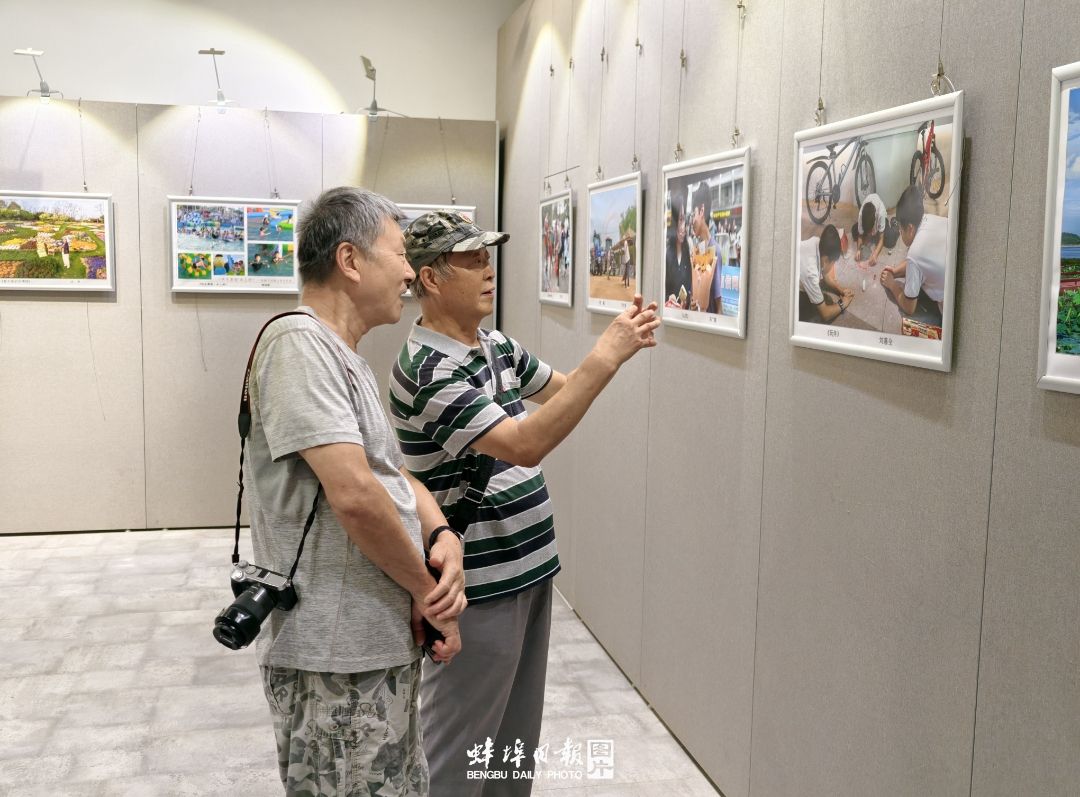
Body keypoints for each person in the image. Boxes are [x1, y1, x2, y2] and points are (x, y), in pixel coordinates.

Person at [388, 210, 659, 795]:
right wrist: (606, 356)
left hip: (531, 572)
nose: (490, 270)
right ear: (431, 278)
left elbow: (563, 390)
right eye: (473, 260)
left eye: (488, 257)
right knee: (458, 755)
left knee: (511, 751)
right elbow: (525, 443)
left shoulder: (495, 345)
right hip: (479, 586)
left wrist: (614, 351)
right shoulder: (426, 370)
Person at [242, 187, 467, 796]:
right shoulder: (299, 345)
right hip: (336, 660)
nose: (409, 273)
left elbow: (390, 474)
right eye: (399, 254)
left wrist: (442, 533)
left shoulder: (341, 354)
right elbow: (355, 495)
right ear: (350, 260)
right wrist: (429, 594)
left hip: (369, 646)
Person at [880, 185, 948, 321]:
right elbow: (921, 263)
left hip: (949, 305)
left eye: (901, 230)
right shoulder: (929, 218)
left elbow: (909, 307)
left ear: (910, 229)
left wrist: (892, 284)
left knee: (906, 310)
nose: (900, 234)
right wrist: (895, 272)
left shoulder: (915, 253)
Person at [798, 223, 852, 324]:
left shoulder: (817, 242)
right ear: (826, 260)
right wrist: (843, 304)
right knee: (813, 311)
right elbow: (825, 314)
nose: (833, 266)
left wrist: (840, 290)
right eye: (833, 263)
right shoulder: (811, 273)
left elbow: (825, 275)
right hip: (789, 287)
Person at [688, 183, 717, 311]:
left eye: (693, 214)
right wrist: (693, 302)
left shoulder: (716, 251)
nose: (692, 221)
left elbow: (719, 304)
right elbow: (696, 291)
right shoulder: (699, 249)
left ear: (701, 211)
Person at [665, 192, 692, 308]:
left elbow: (690, 286)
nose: (683, 226)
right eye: (680, 220)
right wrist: (669, 298)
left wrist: (687, 300)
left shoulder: (688, 250)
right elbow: (663, 289)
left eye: (684, 219)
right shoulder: (667, 254)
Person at [847, 192, 889, 266]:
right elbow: (860, 235)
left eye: (870, 231)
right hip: (868, 220)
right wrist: (858, 250)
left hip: (882, 220)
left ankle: (894, 224)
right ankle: (868, 231)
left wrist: (875, 254)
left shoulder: (881, 213)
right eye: (868, 232)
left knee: (889, 239)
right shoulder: (861, 215)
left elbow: (881, 238)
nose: (870, 235)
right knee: (854, 230)